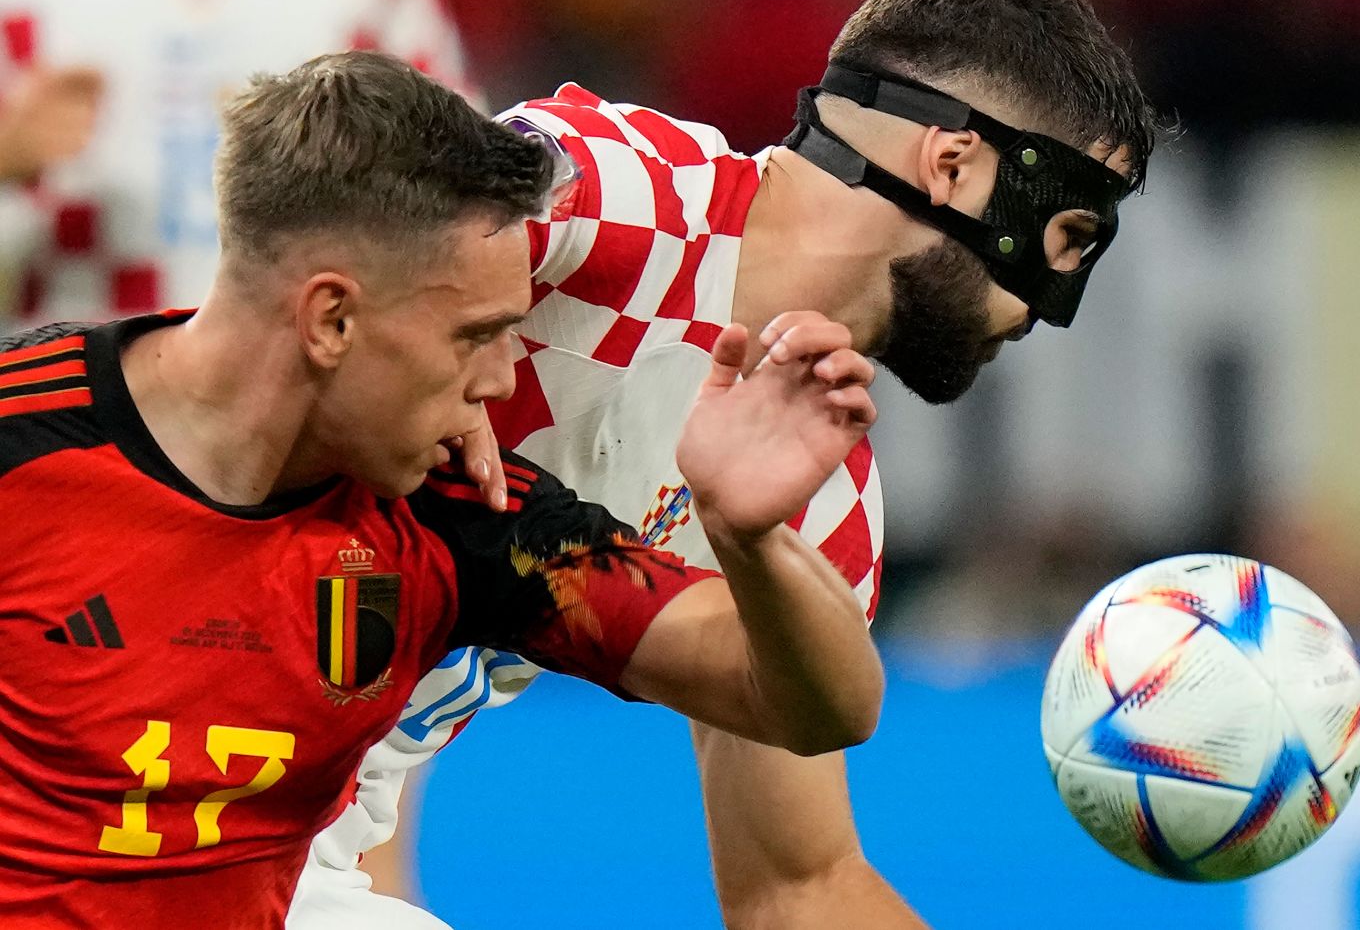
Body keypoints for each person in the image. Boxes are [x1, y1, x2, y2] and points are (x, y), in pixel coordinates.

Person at [296, 0, 1160, 929]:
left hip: (276, 839)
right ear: (953, 165)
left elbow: (800, 887)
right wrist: (423, 338)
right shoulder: (626, 193)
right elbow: (332, 218)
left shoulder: (817, 499)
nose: (1055, 307)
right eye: (1069, 234)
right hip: (140, 746)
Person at [0, 50, 886, 929]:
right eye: (478, 335)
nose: (504, 382)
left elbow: (812, 707)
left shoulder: (458, 517)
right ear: (331, 319)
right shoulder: (25, 448)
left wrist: (749, 537)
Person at [0, 0, 471, 328]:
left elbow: (457, 155)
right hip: (69, 371)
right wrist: (7, 156)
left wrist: (368, 153)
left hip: (300, 367)